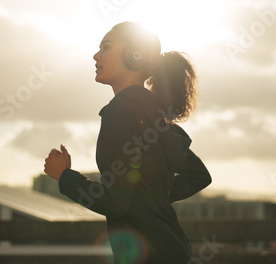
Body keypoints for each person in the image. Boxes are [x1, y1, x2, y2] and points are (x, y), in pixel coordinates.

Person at [44, 21, 212, 264]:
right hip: (172, 249)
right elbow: (198, 175)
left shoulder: (119, 112)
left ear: (135, 56)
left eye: (106, 47)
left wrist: (65, 176)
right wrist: (150, 200)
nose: (96, 55)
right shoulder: (156, 118)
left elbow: (114, 202)